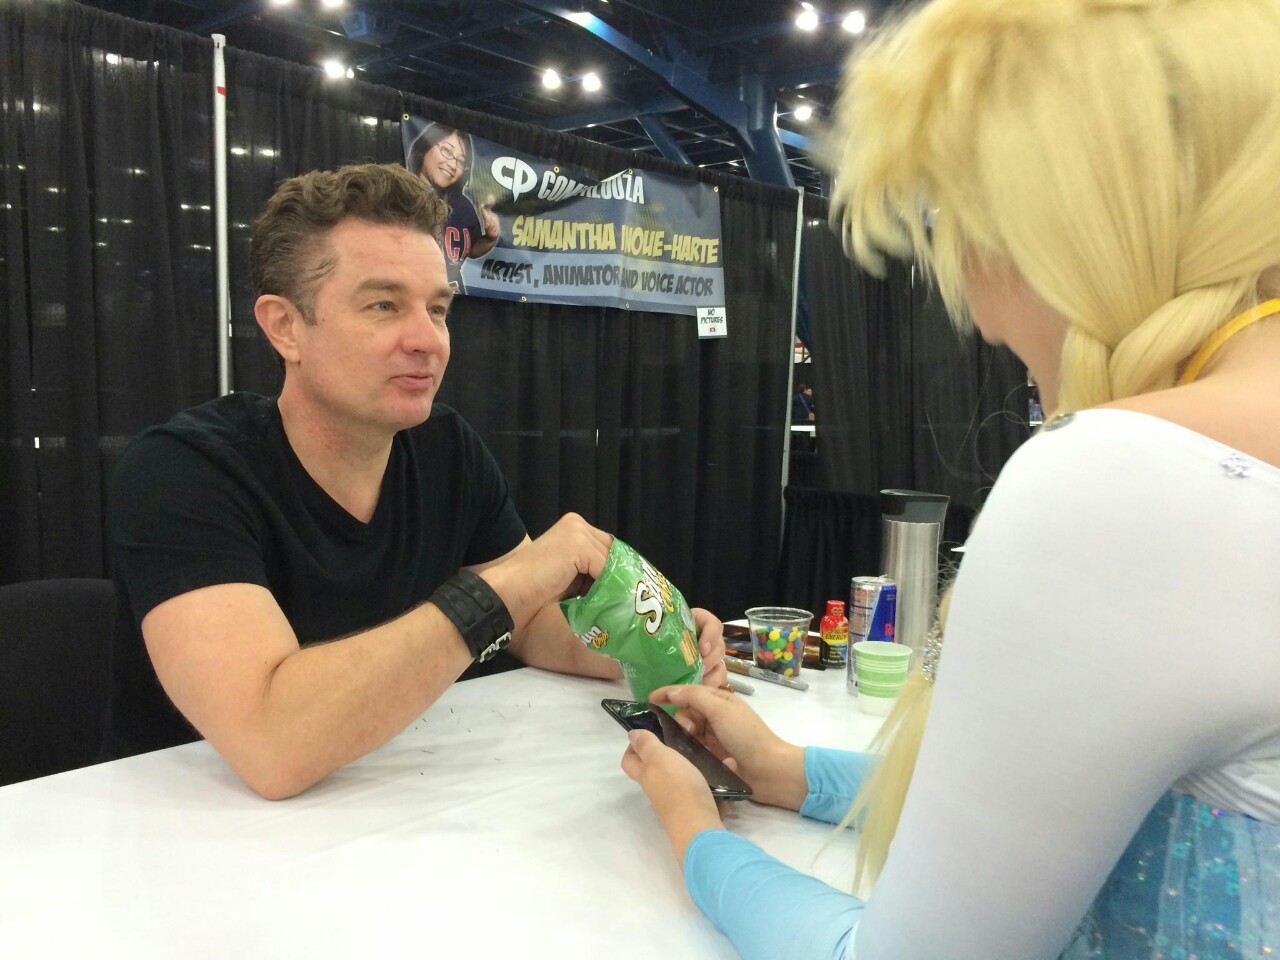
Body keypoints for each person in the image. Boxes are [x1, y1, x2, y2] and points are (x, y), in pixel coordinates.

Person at [619, 1, 1280, 957]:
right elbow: (1048, 812)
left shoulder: (1131, 481)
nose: (979, 310)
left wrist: (697, 838)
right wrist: (793, 771)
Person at [104, 163, 726, 800]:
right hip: (190, 832)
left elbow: (533, 625)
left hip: (397, 812)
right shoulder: (184, 472)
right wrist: (509, 583)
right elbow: (271, 743)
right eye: (384, 305)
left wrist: (651, 636)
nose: (429, 341)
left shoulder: (445, 449)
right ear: (285, 326)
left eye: (437, 309)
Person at [406, 123, 499, 293]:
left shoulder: (462, 206)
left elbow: (471, 250)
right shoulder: (400, 197)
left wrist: (489, 239)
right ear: (425, 147)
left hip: (452, 298)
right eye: (447, 151)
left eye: (461, 161)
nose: (453, 165)